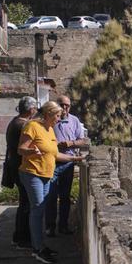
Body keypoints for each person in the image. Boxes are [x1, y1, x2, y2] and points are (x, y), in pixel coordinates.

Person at [18, 101, 85, 264]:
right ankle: (37, 249)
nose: (59, 119)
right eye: (57, 116)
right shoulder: (32, 126)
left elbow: (55, 155)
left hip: (46, 174)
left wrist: (76, 158)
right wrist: (31, 151)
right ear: (48, 114)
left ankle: (40, 245)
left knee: (41, 209)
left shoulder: (49, 129)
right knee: (38, 209)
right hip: (32, 173)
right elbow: (21, 149)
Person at [45, 95, 88, 237]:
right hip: (52, 163)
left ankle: (63, 226)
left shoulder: (74, 120)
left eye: (67, 105)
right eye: (62, 104)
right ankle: (50, 227)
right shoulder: (51, 120)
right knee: (51, 197)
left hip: (68, 164)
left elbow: (82, 140)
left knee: (65, 197)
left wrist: (71, 143)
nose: (64, 108)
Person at [3, 96, 38, 250]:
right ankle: (22, 238)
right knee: (26, 203)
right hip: (20, 168)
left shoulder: (15, 122)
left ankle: (18, 236)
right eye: (35, 108)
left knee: (24, 202)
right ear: (31, 109)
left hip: (15, 166)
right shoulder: (22, 125)